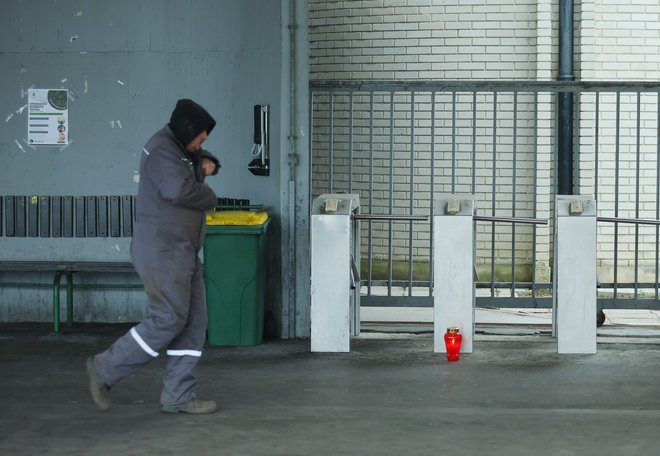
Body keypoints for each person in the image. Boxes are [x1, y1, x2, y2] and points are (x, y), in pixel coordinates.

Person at [86, 99, 221, 414]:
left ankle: (179, 395)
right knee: (169, 319)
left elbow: (194, 162)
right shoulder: (161, 150)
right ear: (187, 130)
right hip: (163, 251)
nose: (203, 142)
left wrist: (205, 160)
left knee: (193, 324)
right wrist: (210, 195)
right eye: (201, 136)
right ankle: (104, 368)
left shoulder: (177, 148)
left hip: (183, 249)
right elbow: (178, 190)